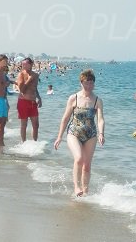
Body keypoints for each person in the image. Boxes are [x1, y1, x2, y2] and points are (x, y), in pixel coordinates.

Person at [54, 69, 105, 197]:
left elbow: (100, 119)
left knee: (87, 164)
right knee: (79, 158)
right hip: (74, 132)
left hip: (91, 134)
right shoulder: (74, 98)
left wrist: (101, 133)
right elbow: (65, 118)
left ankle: (86, 191)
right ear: (81, 83)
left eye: (91, 83)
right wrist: (59, 136)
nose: (89, 86)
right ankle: (77, 187)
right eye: (86, 83)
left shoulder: (97, 100)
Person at [16, 58, 42, 142]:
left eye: (26, 64)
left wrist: (39, 98)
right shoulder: (21, 75)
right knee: (24, 124)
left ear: (31, 64)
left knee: (36, 124)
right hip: (23, 101)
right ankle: (23, 143)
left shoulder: (36, 75)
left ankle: (35, 142)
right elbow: (22, 90)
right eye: (23, 64)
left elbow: (34, 88)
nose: (24, 66)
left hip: (33, 102)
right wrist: (29, 79)